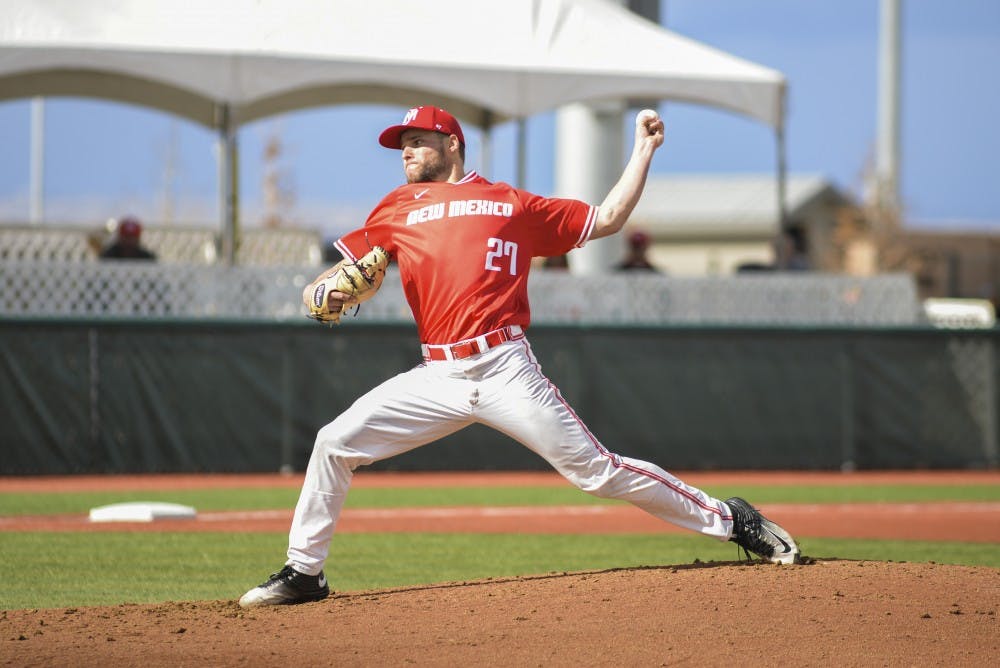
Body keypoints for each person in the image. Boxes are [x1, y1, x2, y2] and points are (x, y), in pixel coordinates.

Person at [239, 106, 800, 608]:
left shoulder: (509, 202)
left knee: (598, 472)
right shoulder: (396, 208)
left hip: (506, 367)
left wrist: (643, 150)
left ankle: (733, 520)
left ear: (452, 144)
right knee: (334, 443)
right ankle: (304, 573)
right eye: (400, 143)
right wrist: (322, 290)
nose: (405, 151)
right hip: (438, 373)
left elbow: (606, 219)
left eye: (417, 140)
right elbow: (339, 272)